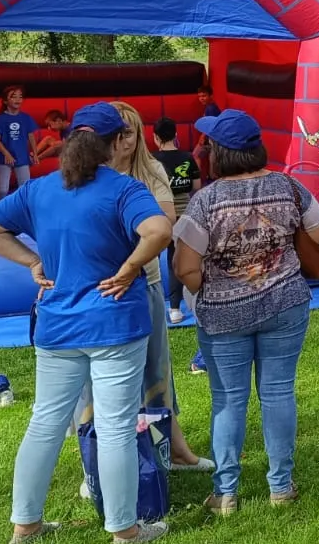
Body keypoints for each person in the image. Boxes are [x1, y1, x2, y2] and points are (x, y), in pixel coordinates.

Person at [0, 101, 173, 544]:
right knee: (116, 426)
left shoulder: (40, 189)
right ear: (116, 142)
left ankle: (25, 526)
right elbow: (159, 230)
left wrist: (32, 261)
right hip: (115, 323)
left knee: (45, 422)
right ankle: (124, 530)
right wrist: (130, 268)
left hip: (57, 325)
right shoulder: (123, 189)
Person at [173, 108, 319, 513]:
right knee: (278, 393)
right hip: (285, 304)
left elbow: (186, 268)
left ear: (221, 152)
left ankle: (226, 493)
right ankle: (280, 486)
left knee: (228, 400)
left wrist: (208, 287)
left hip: (223, 315)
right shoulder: (288, 186)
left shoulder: (206, 201)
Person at [74, 102, 210, 473]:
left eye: (129, 133)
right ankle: (95, 462)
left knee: (155, 369)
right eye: (116, 134)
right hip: (95, 288)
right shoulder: (82, 175)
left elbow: (165, 221)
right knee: (94, 378)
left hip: (144, 284)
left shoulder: (149, 171)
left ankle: (172, 448)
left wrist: (130, 257)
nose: (123, 141)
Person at [151, 117, 200, 322]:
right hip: (183, 216)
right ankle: (175, 309)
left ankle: (154, 306)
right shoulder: (187, 157)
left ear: (155, 137)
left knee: (150, 261)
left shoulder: (151, 160)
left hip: (157, 215)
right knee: (177, 260)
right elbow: (196, 187)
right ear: (176, 135)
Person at [0, 85, 39, 198]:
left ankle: (22, 208)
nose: (18, 99)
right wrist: (7, 154)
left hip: (22, 157)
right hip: (4, 158)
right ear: (5, 101)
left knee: (24, 188)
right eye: (13, 96)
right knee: (3, 190)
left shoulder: (26, 118)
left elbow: (31, 136)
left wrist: (35, 153)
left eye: (20, 97)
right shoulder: (0, 119)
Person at [193, 82, 220, 179]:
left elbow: (211, 125)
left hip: (215, 142)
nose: (201, 98)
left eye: (204, 96)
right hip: (210, 141)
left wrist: (202, 136)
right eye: (199, 96)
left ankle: (203, 179)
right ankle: (199, 178)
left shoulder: (211, 108)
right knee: (196, 154)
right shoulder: (209, 108)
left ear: (211, 96)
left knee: (213, 167)